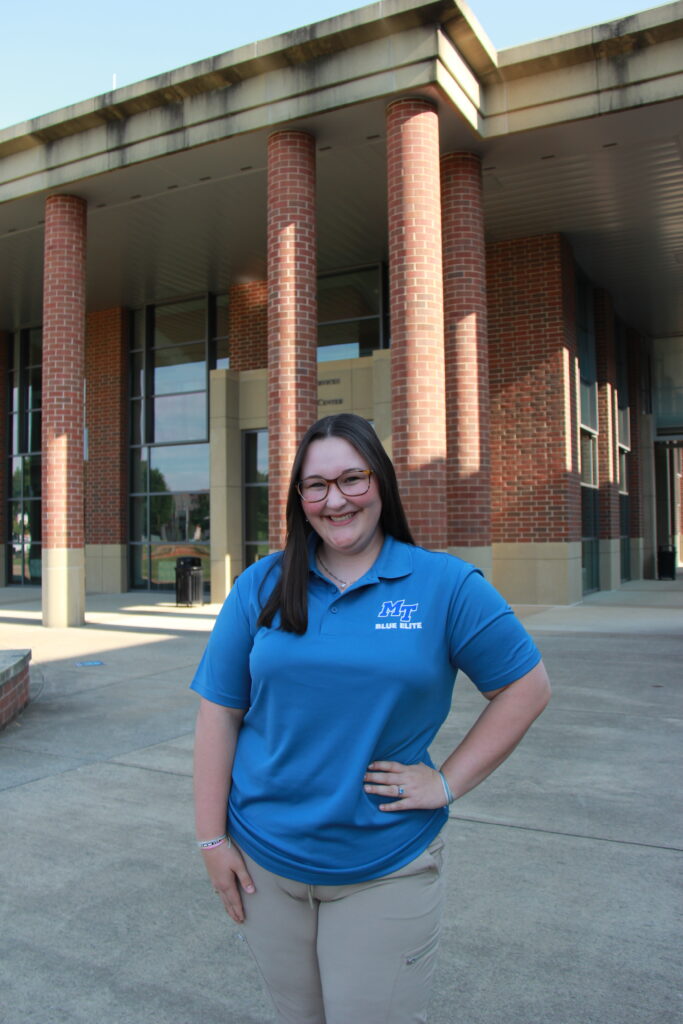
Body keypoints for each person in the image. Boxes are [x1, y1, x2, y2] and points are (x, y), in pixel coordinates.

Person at [191, 412, 551, 1024]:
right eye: (316, 486)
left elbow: (526, 686)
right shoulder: (263, 585)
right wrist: (210, 839)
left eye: (352, 479)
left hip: (385, 866)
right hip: (265, 863)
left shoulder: (444, 585)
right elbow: (220, 713)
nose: (335, 500)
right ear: (298, 498)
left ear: (380, 483)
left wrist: (445, 782)